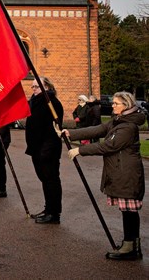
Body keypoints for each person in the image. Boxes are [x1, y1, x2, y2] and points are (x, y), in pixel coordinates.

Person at [63, 92, 145, 260]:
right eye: (113, 103)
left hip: (126, 174)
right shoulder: (118, 121)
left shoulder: (127, 127)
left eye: (116, 103)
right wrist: (71, 133)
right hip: (121, 172)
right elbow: (98, 129)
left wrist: (80, 150)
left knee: (129, 211)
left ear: (126, 106)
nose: (112, 106)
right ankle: (131, 245)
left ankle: (130, 247)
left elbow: (108, 146)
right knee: (127, 210)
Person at [25, 77, 64, 224]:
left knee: (51, 180)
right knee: (45, 180)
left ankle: (54, 213)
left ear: (46, 86)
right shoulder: (35, 102)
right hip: (36, 149)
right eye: (33, 86)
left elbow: (54, 129)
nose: (34, 89)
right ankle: (48, 208)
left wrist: (46, 150)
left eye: (36, 86)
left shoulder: (51, 103)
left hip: (47, 150)